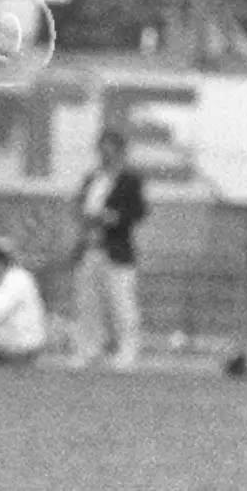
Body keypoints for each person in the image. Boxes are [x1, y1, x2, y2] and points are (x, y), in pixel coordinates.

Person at [70, 129, 146, 370]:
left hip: (116, 250)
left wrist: (113, 217)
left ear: (120, 151)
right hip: (91, 247)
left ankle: (127, 351)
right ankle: (89, 350)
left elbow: (138, 212)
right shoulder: (92, 179)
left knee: (121, 302)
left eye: (111, 149)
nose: (106, 154)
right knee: (88, 303)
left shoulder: (129, 180)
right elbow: (80, 207)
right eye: (102, 148)